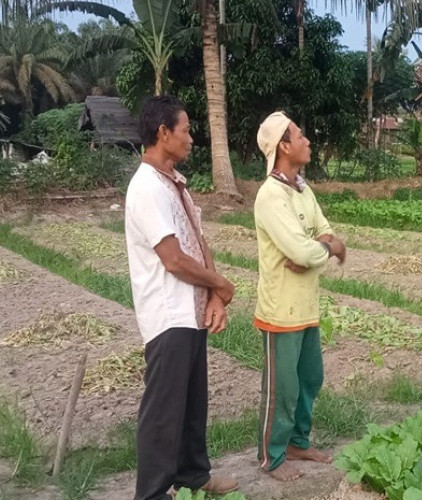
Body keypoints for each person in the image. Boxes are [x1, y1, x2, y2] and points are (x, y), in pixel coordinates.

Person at [125, 96, 239, 500]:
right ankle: (153, 493)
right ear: (163, 133)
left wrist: (214, 296)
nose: (192, 138)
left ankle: (193, 474)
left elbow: (198, 241)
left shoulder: (175, 185)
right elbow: (173, 259)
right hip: (167, 313)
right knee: (163, 411)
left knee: (192, 402)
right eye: (186, 130)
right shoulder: (146, 188)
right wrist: (221, 283)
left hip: (190, 312)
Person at [253, 111, 346, 482]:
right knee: (283, 388)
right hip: (280, 310)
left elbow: (324, 236)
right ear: (284, 146)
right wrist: (322, 249)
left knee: (310, 378)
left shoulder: (303, 190)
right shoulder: (270, 196)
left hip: (306, 306)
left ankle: (298, 441)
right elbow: (304, 250)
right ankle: (271, 456)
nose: (308, 141)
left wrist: (318, 249)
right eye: (300, 136)